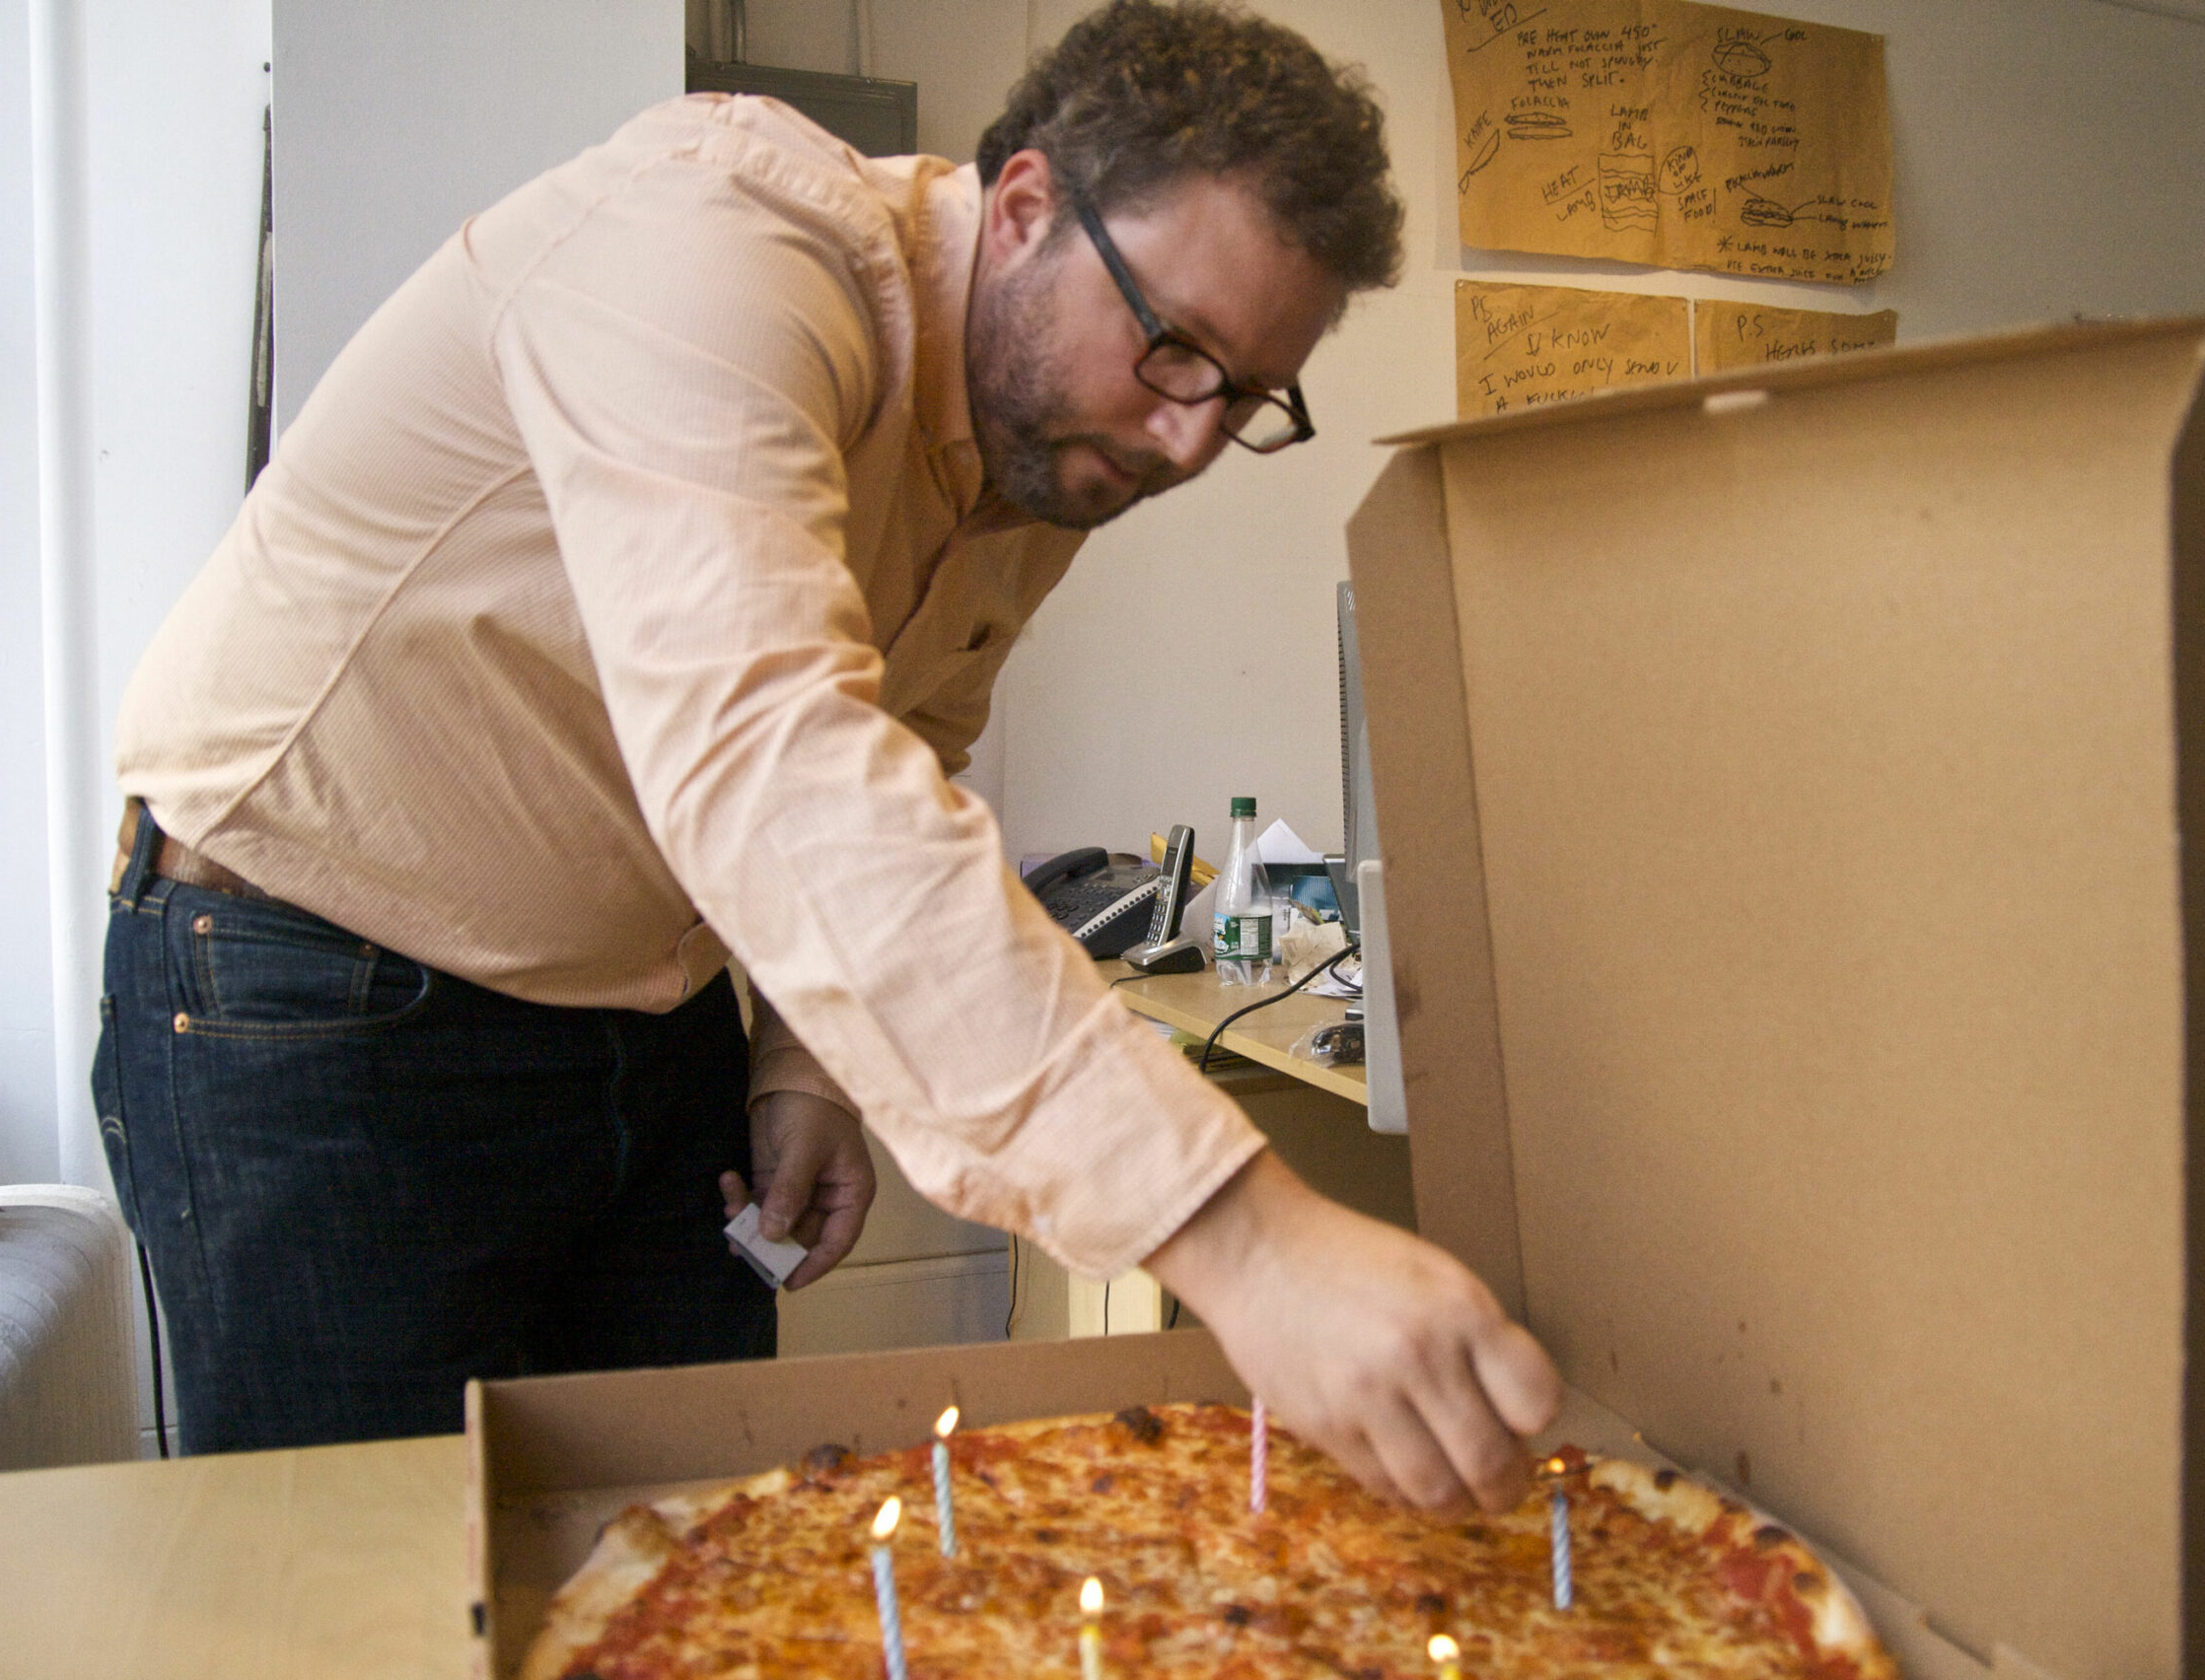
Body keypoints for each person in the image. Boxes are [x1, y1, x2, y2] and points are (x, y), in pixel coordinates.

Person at [98, 0, 1558, 1505]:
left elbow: (898, 737)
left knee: (684, 1550)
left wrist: (804, 1061)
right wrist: (1252, 1246)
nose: (1188, 443)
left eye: (1245, 397)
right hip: (313, 994)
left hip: (650, 1009)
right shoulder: (716, 243)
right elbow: (773, 759)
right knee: (362, 1583)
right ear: (1025, 207)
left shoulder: (1052, 441)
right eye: (1176, 349)